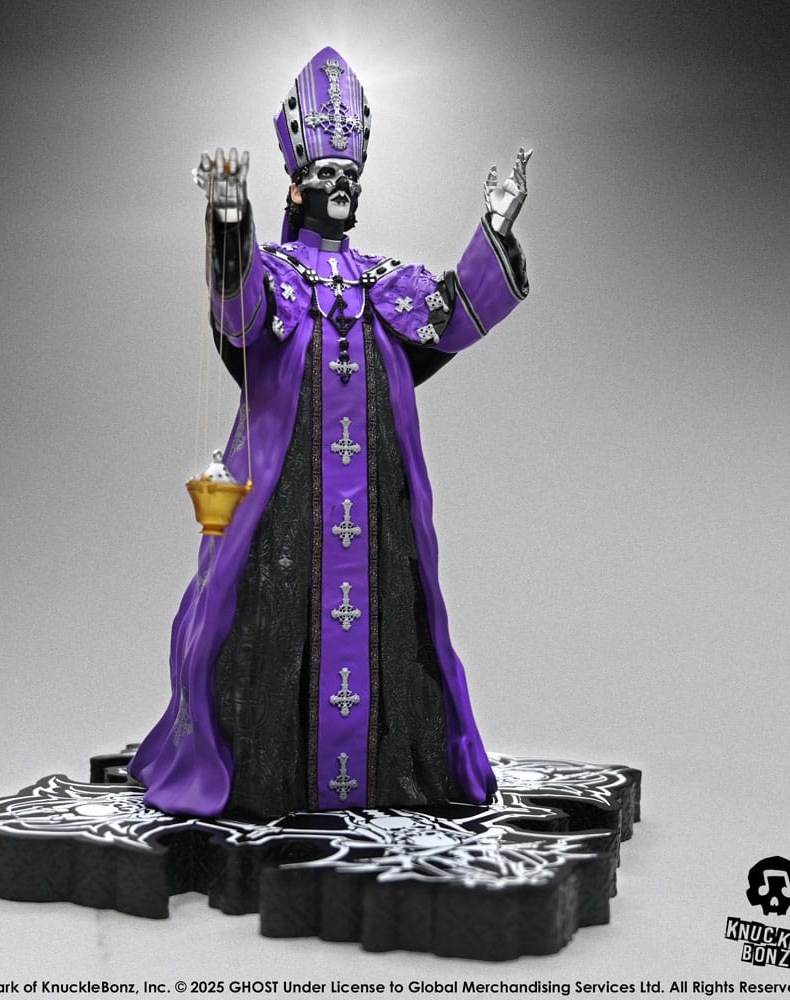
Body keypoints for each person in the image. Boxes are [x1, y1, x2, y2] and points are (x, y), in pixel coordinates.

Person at [129, 47, 531, 818]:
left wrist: (495, 226)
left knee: (394, 630)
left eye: (350, 174)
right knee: (270, 629)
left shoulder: (385, 282)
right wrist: (228, 215)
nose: (341, 185)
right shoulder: (277, 276)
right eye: (325, 174)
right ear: (296, 187)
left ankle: (386, 782)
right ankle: (269, 786)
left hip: (377, 514)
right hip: (286, 513)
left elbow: (453, 313)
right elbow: (238, 307)